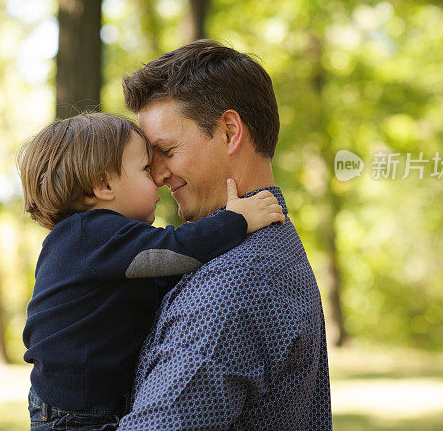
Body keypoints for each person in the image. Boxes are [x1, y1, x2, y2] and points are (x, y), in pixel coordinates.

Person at [17, 112, 285, 430]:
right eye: (145, 169)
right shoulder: (90, 234)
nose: (158, 177)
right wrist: (236, 219)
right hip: (74, 414)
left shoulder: (99, 242)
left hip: (82, 404)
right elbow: (173, 251)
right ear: (104, 185)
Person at [117, 40, 332, 430]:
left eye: (166, 150)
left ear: (229, 132)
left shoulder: (232, 284)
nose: (157, 174)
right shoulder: (269, 247)